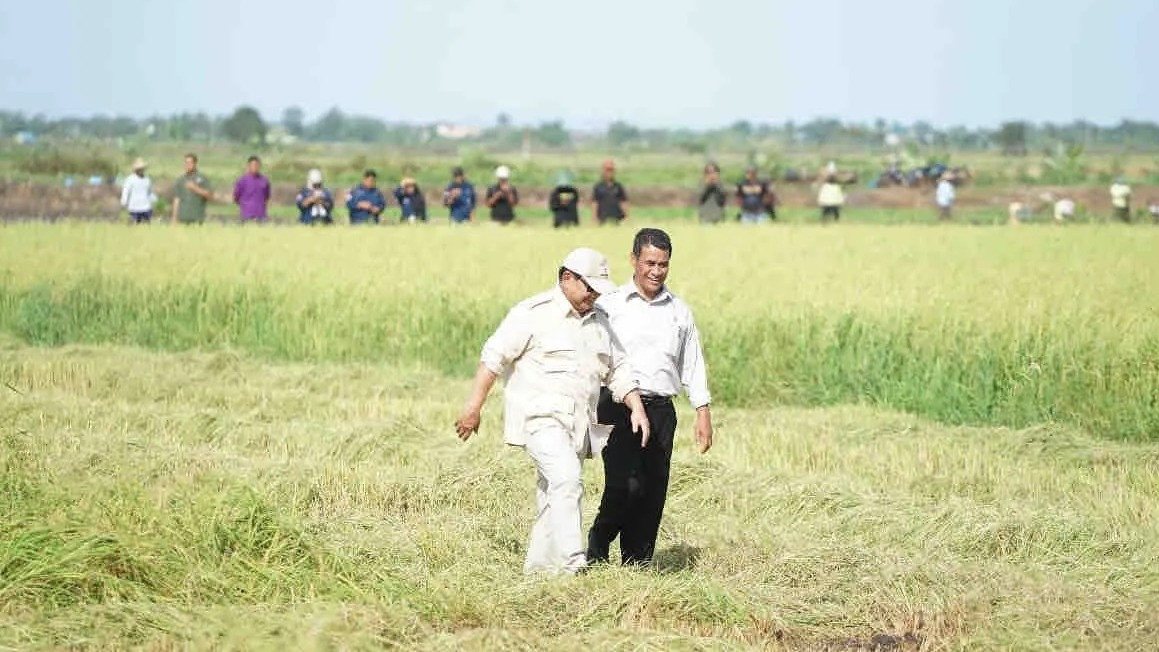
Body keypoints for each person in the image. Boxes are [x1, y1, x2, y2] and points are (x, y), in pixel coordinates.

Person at [455, 248, 651, 576]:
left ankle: (539, 575)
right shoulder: (532, 313)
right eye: (588, 287)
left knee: (552, 496)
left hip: (579, 426)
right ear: (566, 279)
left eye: (598, 289)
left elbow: (618, 371)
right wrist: (473, 407)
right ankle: (573, 563)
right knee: (567, 479)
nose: (594, 294)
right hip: (539, 420)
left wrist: (637, 408)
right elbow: (494, 358)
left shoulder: (600, 321)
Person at [587, 228, 713, 568]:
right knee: (624, 486)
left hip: (661, 411)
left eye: (664, 264)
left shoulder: (679, 311)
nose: (656, 271)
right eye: (650, 263)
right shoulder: (609, 305)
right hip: (616, 407)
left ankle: (637, 562)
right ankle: (597, 548)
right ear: (633, 260)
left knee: (652, 490)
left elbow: (693, 362)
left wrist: (702, 411)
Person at [172, 153, 213, 225]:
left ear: (195, 163)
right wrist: (174, 217)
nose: (187, 165)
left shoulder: (202, 178)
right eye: (186, 163)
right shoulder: (181, 180)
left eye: (190, 163)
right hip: (182, 218)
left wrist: (195, 189)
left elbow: (209, 196)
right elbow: (177, 199)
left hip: (197, 219)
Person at [233, 155, 271, 222]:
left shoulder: (264, 181)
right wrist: (246, 205)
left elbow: (267, 197)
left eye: (257, 165)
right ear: (249, 166)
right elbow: (236, 197)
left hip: (261, 216)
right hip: (246, 216)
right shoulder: (242, 181)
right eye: (253, 165)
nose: (255, 167)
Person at [592, 159, 629, 225]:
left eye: (611, 170)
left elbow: (623, 202)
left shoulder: (618, 186)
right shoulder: (598, 187)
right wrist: (594, 217)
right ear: (603, 171)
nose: (609, 172)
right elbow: (595, 203)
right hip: (602, 219)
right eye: (607, 170)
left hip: (617, 219)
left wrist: (626, 216)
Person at [121, 157, 156, 224]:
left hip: (146, 208)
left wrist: (154, 200)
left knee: (147, 228)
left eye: (142, 169)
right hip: (134, 208)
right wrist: (124, 202)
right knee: (134, 228)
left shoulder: (147, 179)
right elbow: (125, 192)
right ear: (136, 169)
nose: (141, 170)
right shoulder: (130, 179)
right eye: (139, 169)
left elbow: (150, 192)